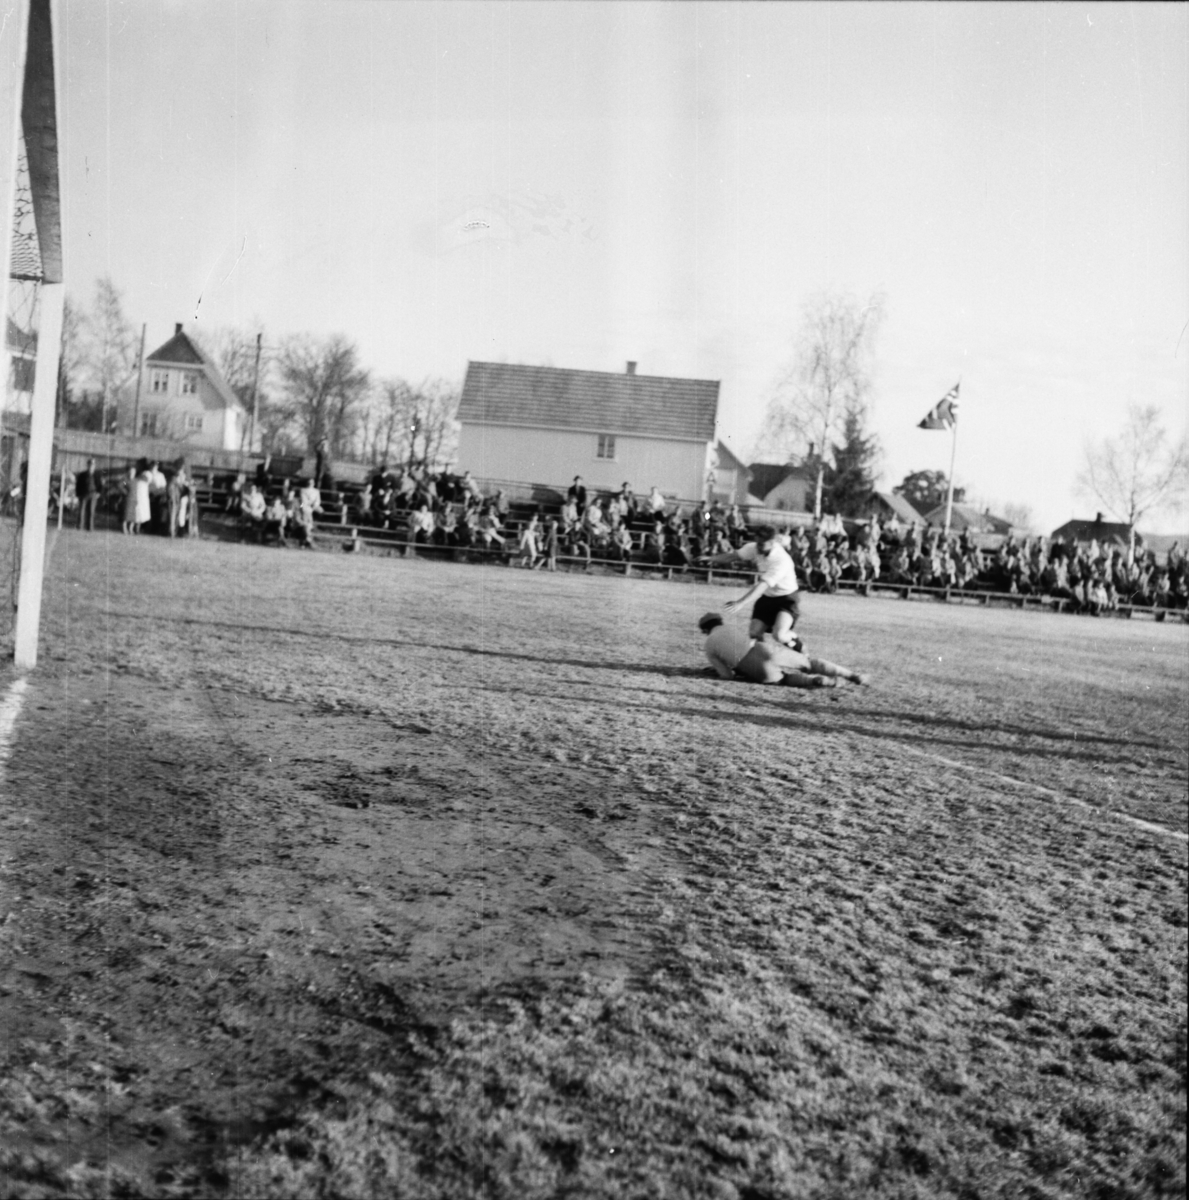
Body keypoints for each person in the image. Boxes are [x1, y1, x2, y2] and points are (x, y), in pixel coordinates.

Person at [698, 613, 866, 689]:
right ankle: (853, 676)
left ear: (705, 630)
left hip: (750, 664)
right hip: (763, 649)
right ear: (719, 622)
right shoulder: (731, 628)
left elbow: (727, 676)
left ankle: (815, 681)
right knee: (809, 663)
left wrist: (720, 669)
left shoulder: (709, 645)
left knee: (785, 679)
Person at [697, 524, 801, 646]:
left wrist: (741, 602)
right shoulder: (755, 547)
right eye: (757, 542)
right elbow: (732, 556)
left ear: (772, 542)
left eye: (761, 544)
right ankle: (762, 660)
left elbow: (762, 585)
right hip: (768, 598)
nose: (757, 547)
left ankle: (797, 644)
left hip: (786, 598)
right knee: (754, 633)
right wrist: (711, 558)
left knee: (779, 635)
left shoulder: (781, 560)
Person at [75, 458, 101, 531]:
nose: (91, 466)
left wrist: (99, 493)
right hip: (83, 495)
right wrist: (78, 494)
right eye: (90, 464)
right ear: (88, 465)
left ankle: (90, 527)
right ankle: (79, 526)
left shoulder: (97, 475)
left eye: (92, 464)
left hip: (93, 495)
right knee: (81, 511)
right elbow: (78, 485)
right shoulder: (82, 474)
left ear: (94, 466)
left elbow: (100, 485)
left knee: (91, 511)